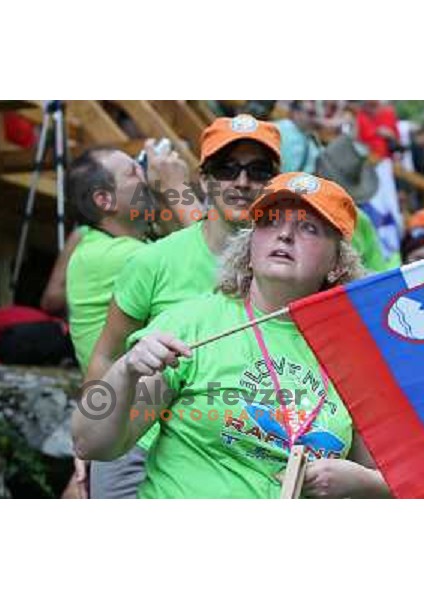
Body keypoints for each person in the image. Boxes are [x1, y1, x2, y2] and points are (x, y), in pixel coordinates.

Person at [73, 173, 391, 499]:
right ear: (250, 245)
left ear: (337, 264)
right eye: (270, 222)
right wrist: (125, 372)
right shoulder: (191, 324)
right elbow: (90, 442)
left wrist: (364, 484)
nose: (284, 235)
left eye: (308, 228)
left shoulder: (354, 355)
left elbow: (399, 482)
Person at [84, 115, 281, 498]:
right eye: (227, 169)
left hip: (236, 450)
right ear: (205, 179)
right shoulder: (152, 262)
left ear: (275, 182)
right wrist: (92, 427)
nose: (242, 183)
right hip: (138, 439)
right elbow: (105, 357)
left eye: (257, 171)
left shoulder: (292, 268)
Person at [64, 144, 191, 497]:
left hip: (131, 429)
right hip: (130, 438)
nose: (145, 173)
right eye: (134, 171)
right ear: (105, 200)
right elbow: (214, 257)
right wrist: (176, 187)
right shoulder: (113, 256)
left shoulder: (98, 241)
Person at [276, 101, 320, 173]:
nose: (314, 119)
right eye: (310, 113)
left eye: (315, 115)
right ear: (296, 113)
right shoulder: (279, 129)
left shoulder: (310, 137)